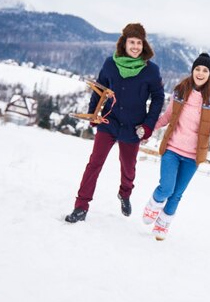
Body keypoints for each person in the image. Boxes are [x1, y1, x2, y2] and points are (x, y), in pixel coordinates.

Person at [65, 23, 165, 223]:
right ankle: (81, 206)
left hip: (133, 127)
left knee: (128, 168)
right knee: (95, 163)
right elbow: (99, 88)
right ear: (124, 43)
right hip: (109, 121)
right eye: (132, 42)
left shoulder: (151, 70)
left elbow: (158, 98)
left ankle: (125, 193)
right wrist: (93, 114)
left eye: (139, 42)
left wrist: (147, 125)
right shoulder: (110, 64)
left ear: (143, 44)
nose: (135, 46)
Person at [141, 53, 210, 240]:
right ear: (192, 70)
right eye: (198, 69)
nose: (201, 73)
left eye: (205, 70)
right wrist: (149, 131)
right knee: (167, 188)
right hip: (172, 148)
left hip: (193, 157)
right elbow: (167, 116)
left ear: (209, 74)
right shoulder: (180, 91)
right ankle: (153, 204)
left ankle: (162, 225)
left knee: (177, 194)